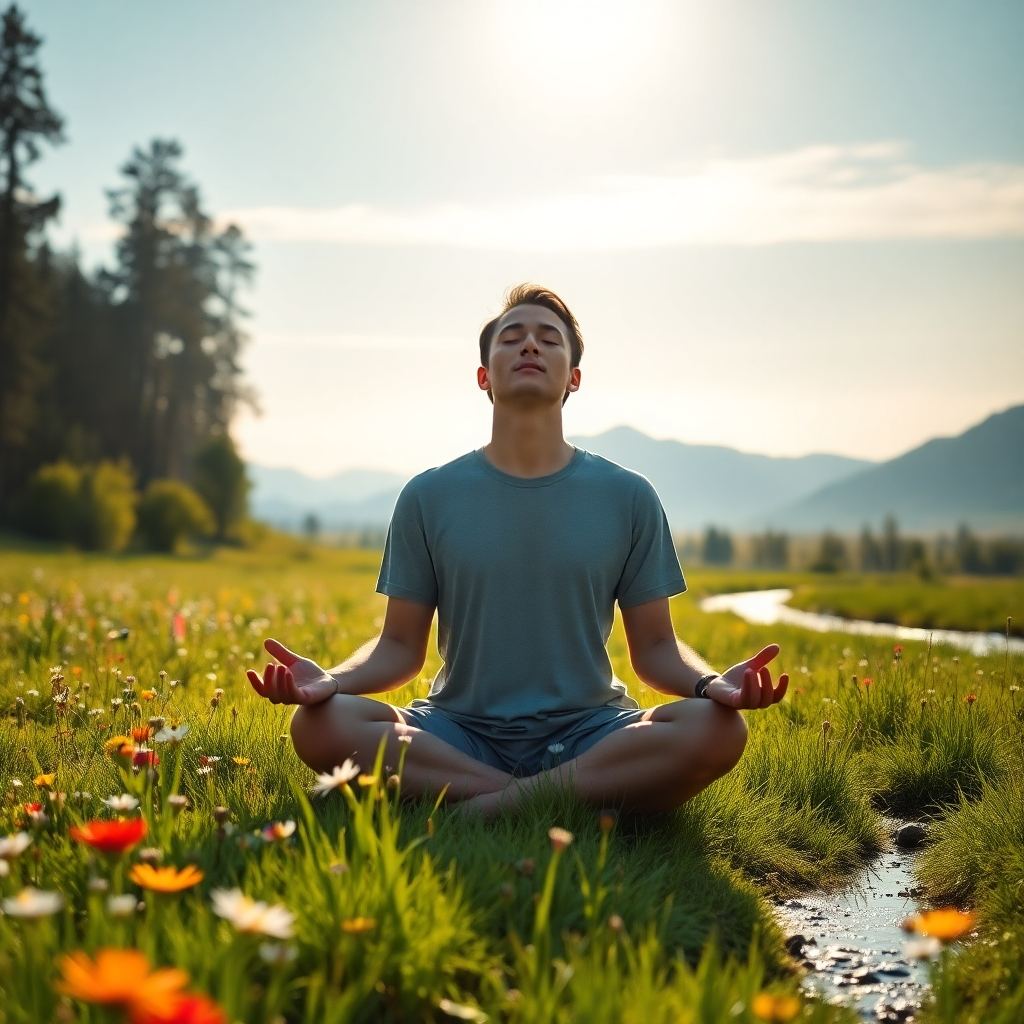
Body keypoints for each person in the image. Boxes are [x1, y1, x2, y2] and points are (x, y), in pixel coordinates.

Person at [247, 284, 787, 815]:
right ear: (484, 377)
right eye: (512, 337)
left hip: (591, 730)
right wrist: (330, 682)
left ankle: (491, 804)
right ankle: (560, 798)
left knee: (718, 729)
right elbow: (398, 647)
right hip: (456, 731)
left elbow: (655, 649)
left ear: (574, 378)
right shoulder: (429, 495)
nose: (530, 345)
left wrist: (709, 683)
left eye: (549, 339)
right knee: (318, 724)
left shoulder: (628, 495)